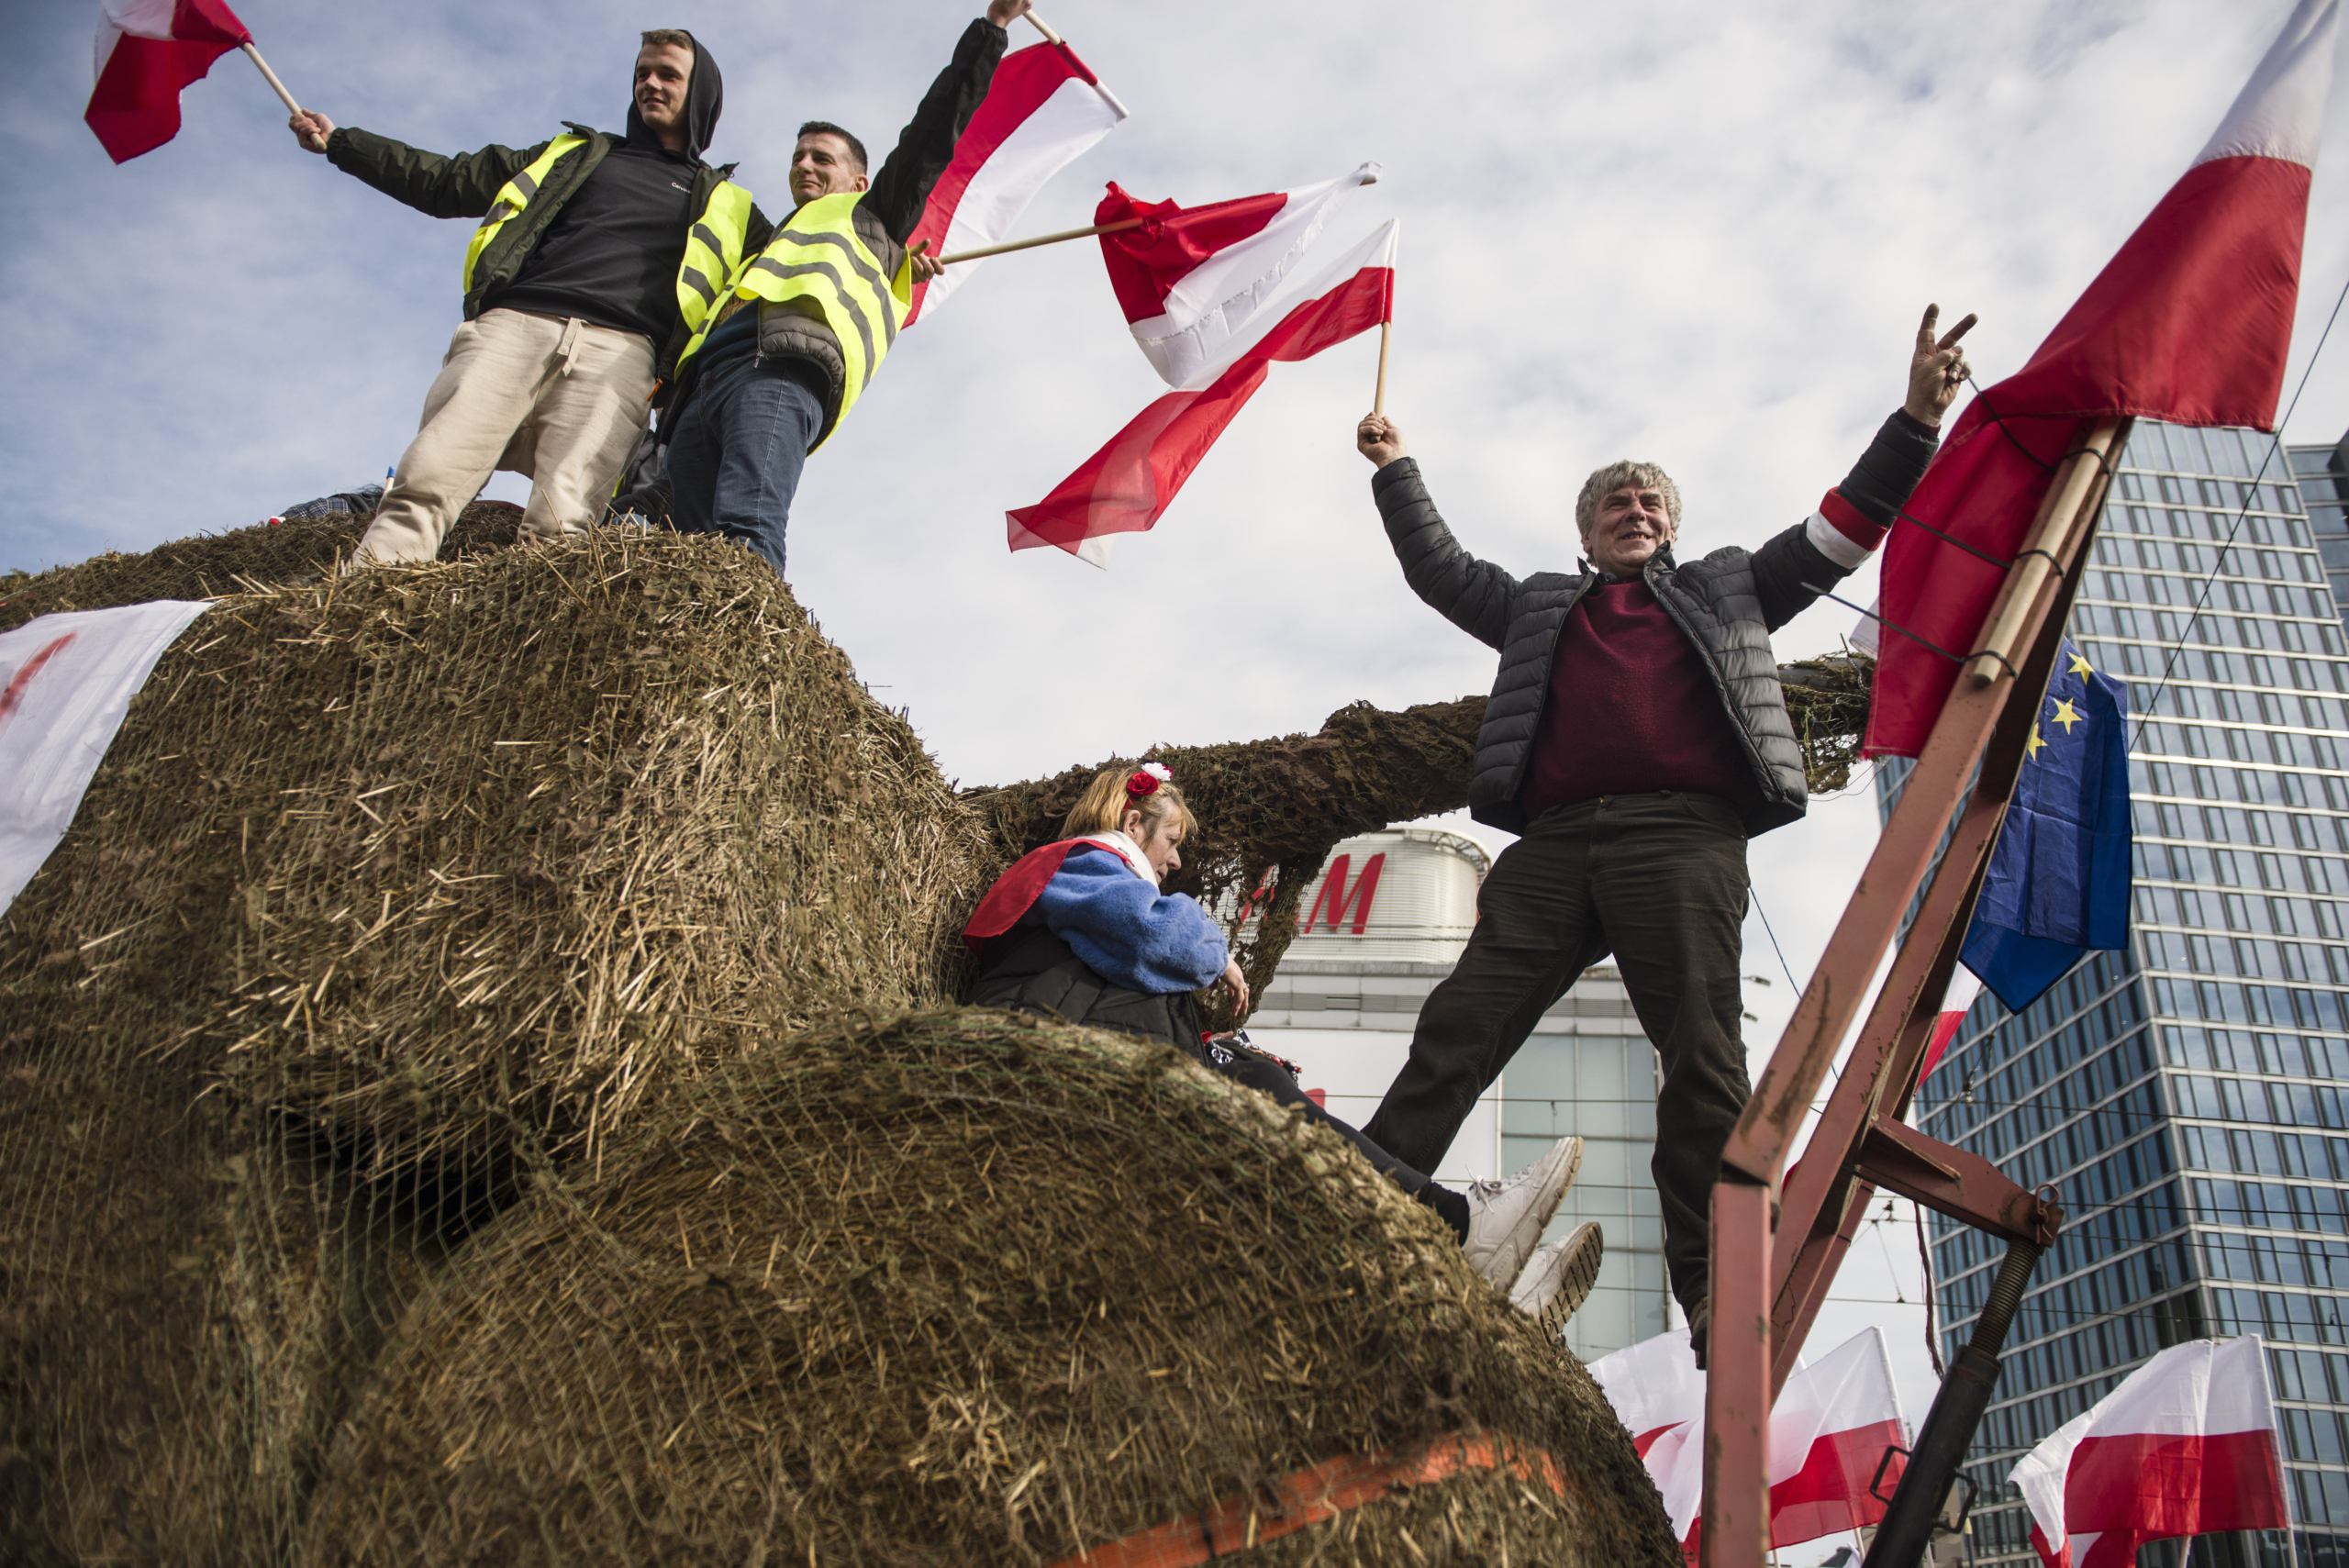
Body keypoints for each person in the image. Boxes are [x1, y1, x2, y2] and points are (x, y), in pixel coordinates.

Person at [1351, 306, 1978, 1364]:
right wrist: (1394, 466)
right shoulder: (1542, 606)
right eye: (1612, 503)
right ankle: (1357, 1206)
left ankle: (1715, 1288)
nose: (1631, 510)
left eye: (1647, 501)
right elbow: (1443, 571)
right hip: (1552, 846)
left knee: (1700, 1052)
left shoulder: (1731, 588)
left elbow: (1838, 531)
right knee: (1460, 1025)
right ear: (1587, 531)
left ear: (1671, 527)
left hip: (1680, 839)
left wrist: (1916, 419)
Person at [963, 762, 1607, 1332]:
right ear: (1132, 821)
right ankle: (1463, 1230)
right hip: (1059, 1043)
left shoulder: (1085, 879)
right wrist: (1215, 953)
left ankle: (1469, 1281)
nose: (1176, 862)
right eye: (1171, 840)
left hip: (1084, 1040)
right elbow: (1161, 938)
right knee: (1266, 1096)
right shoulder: (1088, 861)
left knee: (1266, 1097)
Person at [288, 30, 770, 566]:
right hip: (514, 327)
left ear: (700, 92)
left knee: (563, 529)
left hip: (622, 360)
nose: (649, 84)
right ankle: (361, 615)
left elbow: (793, 264)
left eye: (667, 75)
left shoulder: (731, 207)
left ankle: (525, 648)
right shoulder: (573, 156)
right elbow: (447, 180)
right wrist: (342, 143)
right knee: (426, 481)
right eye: (642, 73)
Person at [655, 3, 1027, 576]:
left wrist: (992, 29)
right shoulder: (771, 236)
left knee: (747, 526)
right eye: (799, 156)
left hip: (777, 371)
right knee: (678, 556)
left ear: (858, 178)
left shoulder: (875, 211)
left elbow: (930, 136)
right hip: (701, 385)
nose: (804, 165)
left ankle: (747, 657)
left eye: (821, 158)